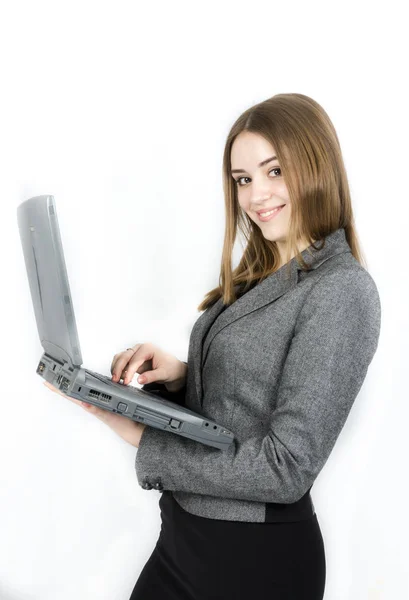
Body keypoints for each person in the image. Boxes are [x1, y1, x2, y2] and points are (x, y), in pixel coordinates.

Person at [45, 93, 381, 600]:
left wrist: (143, 438)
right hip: (186, 538)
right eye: (243, 179)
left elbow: (285, 468)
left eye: (273, 171)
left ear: (317, 167)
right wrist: (181, 375)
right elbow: (248, 402)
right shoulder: (260, 273)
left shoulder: (342, 291)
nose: (255, 196)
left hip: (253, 563)